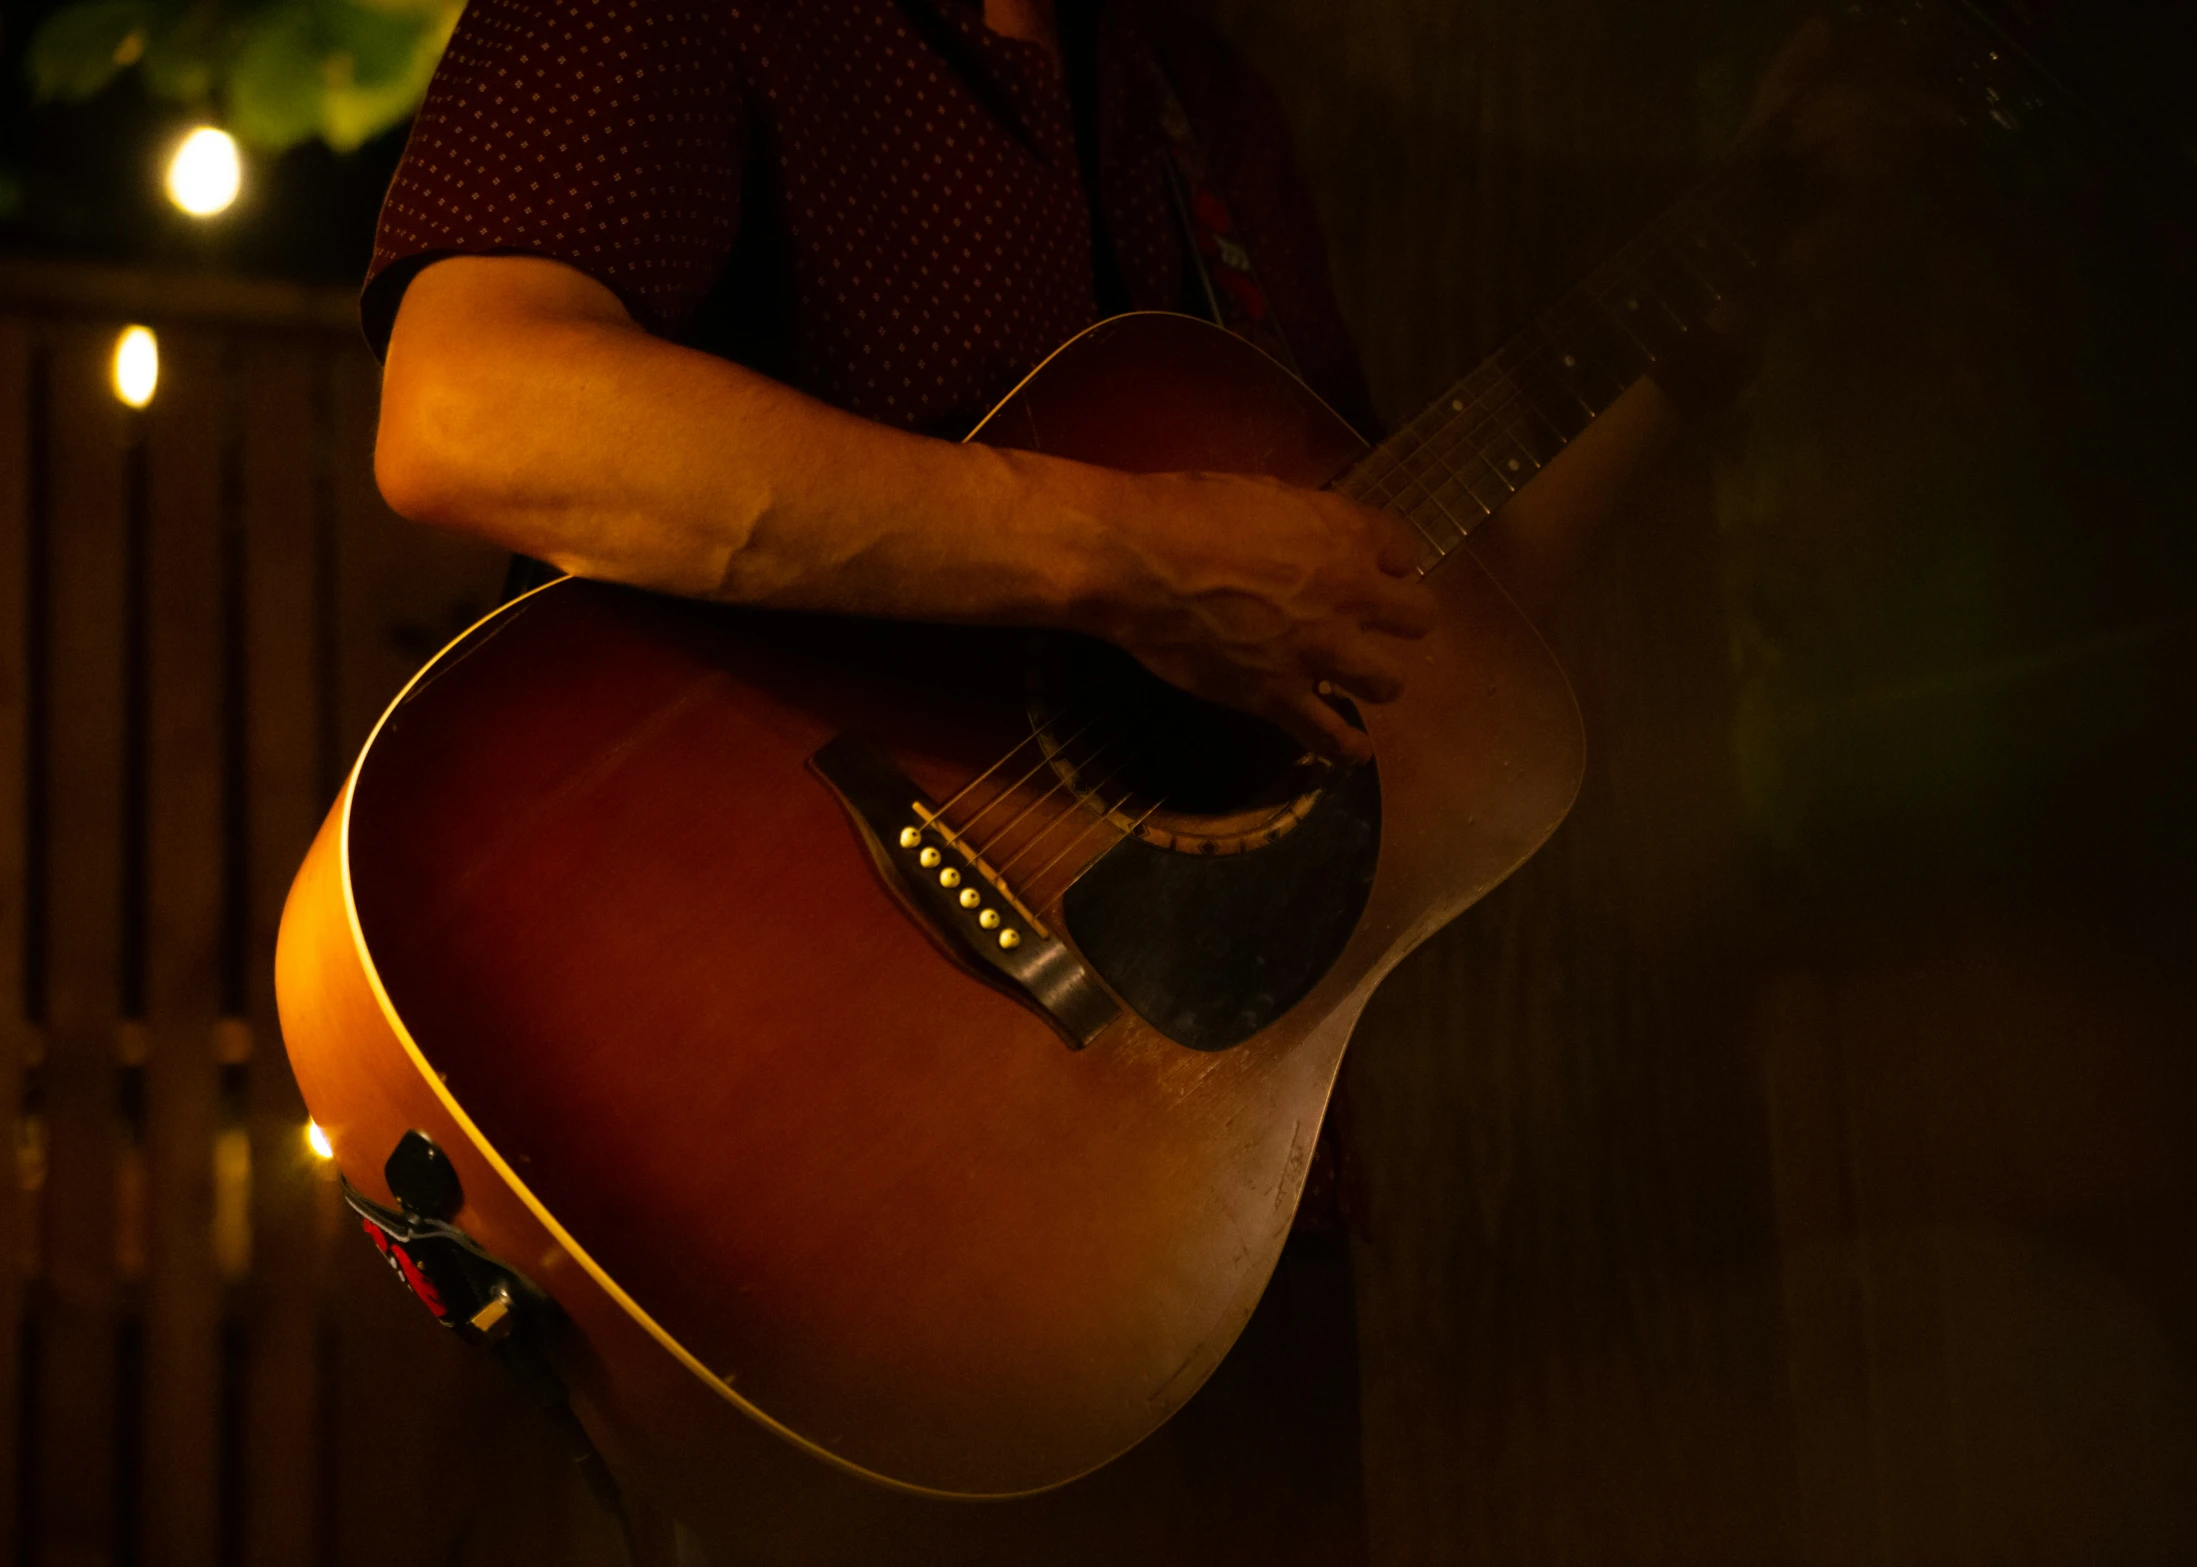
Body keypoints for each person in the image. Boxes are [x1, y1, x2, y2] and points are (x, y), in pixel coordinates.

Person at [358, 0, 1896, 1558]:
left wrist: (1742, 268)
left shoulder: (1190, 100)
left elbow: (1385, 607)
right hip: (758, 1163)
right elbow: (471, 411)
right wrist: (1127, 556)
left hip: (1172, 1219)